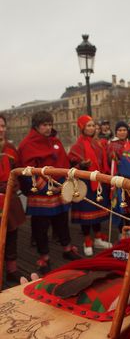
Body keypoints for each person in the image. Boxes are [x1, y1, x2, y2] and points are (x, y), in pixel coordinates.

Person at [18, 111, 81, 274]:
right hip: (40, 193)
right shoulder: (27, 144)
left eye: (50, 124)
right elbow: (27, 170)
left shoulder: (56, 141)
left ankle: (67, 248)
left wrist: (66, 182)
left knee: (62, 222)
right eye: (44, 125)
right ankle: (44, 257)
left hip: (59, 189)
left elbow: (63, 162)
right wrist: (45, 187)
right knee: (41, 226)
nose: (48, 128)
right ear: (36, 126)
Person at [68, 115, 112, 257]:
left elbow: (102, 160)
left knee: (97, 211)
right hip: (85, 183)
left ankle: (98, 238)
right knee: (86, 213)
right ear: (82, 127)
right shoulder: (77, 146)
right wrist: (81, 165)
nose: (92, 128)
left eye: (93, 125)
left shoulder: (98, 143)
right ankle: (87, 240)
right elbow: (71, 164)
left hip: (98, 180)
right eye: (88, 125)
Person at [0, 114, 26, 284]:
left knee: (12, 234)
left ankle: (11, 270)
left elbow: (18, 170)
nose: (1, 130)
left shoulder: (10, 148)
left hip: (10, 198)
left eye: (3, 126)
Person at [107, 121, 130, 236]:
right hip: (118, 179)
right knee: (120, 204)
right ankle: (121, 230)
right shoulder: (111, 144)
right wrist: (113, 158)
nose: (122, 132)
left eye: (124, 130)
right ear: (116, 132)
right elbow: (108, 162)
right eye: (120, 130)